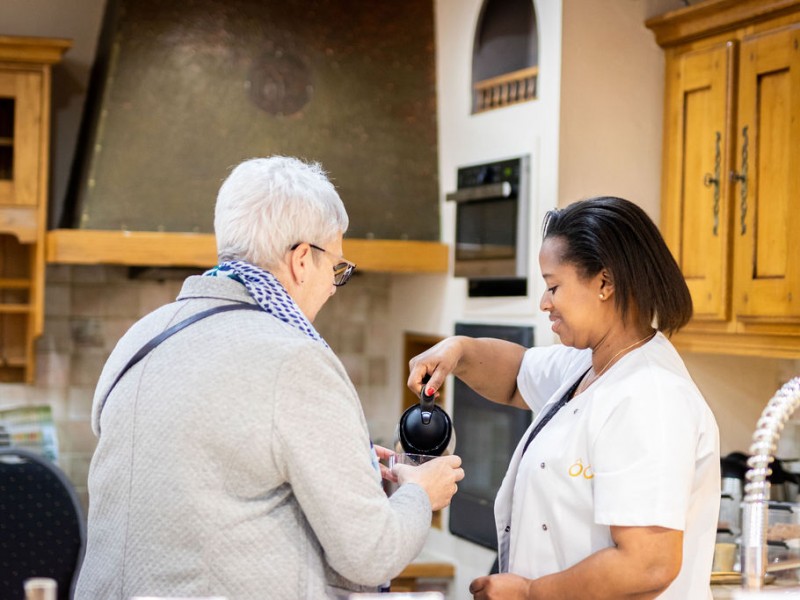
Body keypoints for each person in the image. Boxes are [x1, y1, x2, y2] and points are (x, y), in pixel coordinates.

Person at [75, 156, 464, 600]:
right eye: (337, 269)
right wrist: (419, 492)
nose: (334, 287)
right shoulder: (296, 360)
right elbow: (369, 554)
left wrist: (342, 468)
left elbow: (211, 481)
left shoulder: (140, 336)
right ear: (302, 260)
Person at [408, 196, 720, 599]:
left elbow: (648, 563)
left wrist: (528, 592)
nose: (545, 302)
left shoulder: (650, 396)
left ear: (605, 283)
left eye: (554, 286)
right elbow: (515, 375)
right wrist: (459, 351)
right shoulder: (589, 366)